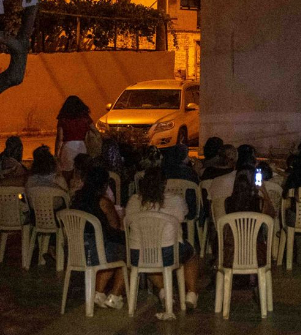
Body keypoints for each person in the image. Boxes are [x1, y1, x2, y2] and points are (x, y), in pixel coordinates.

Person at [125, 167, 200, 313]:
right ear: (165, 183)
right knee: (191, 253)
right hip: (169, 252)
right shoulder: (176, 200)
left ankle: (164, 291)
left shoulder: (134, 200)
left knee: (149, 257)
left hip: (138, 253)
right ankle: (191, 293)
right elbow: (183, 217)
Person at [71, 165, 126, 309]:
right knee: (129, 253)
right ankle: (114, 295)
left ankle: (99, 292)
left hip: (77, 251)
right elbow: (115, 226)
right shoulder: (103, 202)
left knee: (113, 251)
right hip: (96, 251)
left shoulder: (76, 200)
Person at [55, 95, 93, 180]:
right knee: (81, 174)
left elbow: (59, 138)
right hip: (82, 146)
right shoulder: (85, 117)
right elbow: (94, 130)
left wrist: (56, 154)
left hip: (67, 147)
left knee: (67, 174)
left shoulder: (63, 118)